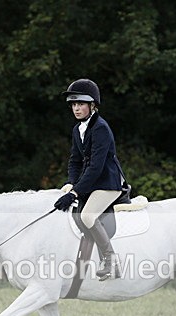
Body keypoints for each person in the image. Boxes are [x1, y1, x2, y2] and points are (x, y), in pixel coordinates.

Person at [53, 78, 125, 280]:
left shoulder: (100, 127)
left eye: (81, 104)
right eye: (74, 104)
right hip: (91, 182)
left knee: (87, 216)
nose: (76, 108)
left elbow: (96, 167)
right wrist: (71, 183)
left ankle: (111, 261)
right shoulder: (77, 129)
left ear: (92, 105)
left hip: (108, 183)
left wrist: (77, 191)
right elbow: (75, 161)